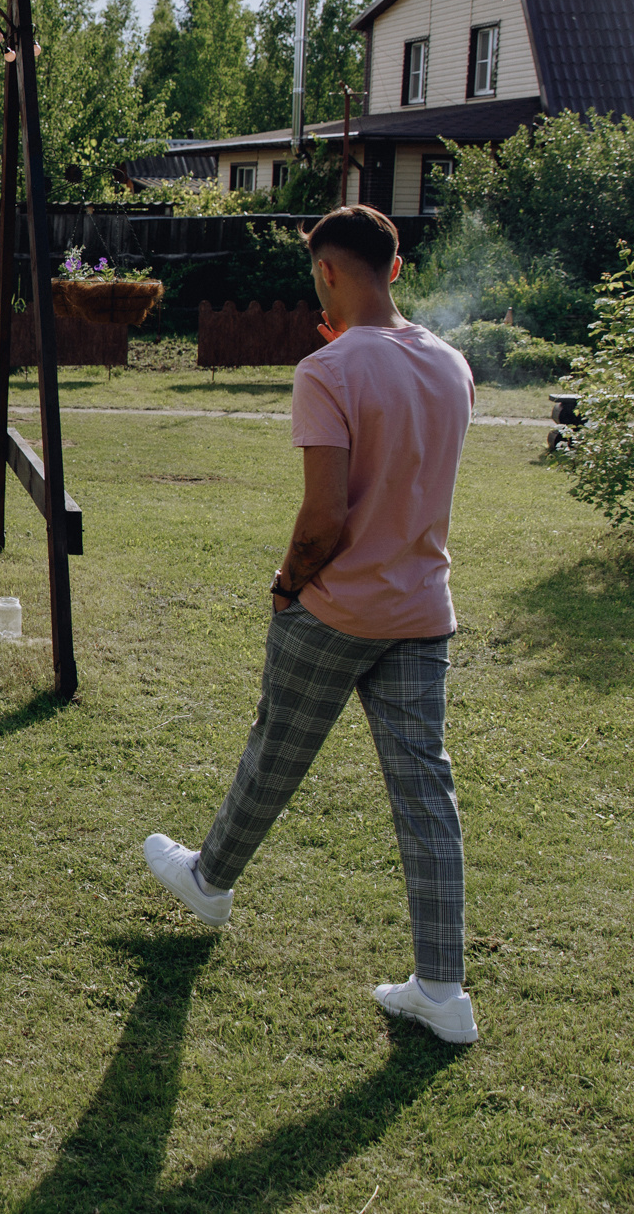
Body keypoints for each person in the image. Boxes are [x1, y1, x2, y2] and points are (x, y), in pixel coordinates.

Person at [144, 205, 480, 1044]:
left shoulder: (326, 370)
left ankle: (210, 880)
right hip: (422, 610)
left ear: (327, 272)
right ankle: (443, 989)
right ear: (393, 269)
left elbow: (325, 516)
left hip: (337, 607)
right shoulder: (453, 364)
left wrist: (287, 583)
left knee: (277, 751)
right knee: (426, 796)